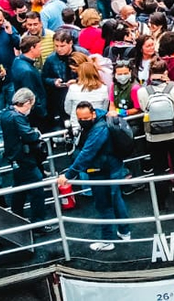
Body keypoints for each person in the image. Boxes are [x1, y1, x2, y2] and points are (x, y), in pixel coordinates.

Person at [57, 101, 131, 250]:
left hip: (103, 170)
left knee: (104, 205)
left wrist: (69, 174)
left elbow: (87, 153)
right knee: (116, 200)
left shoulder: (99, 130)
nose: (83, 121)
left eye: (85, 118)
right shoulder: (101, 119)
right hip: (112, 166)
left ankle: (107, 240)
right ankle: (124, 231)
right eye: (80, 119)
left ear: (93, 114)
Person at [136, 59, 174, 210]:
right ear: (165, 73)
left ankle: (161, 203)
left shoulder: (142, 92)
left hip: (153, 137)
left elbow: (143, 109)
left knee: (159, 170)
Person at [1, 88, 49, 230]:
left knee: (20, 188)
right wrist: (36, 134)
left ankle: (16, 216)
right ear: (27, 102)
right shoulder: (17, 117)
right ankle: (39, 224)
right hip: (24, 158)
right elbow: (29, 135)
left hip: (15, 157)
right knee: (37, 189)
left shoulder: (6, 114)